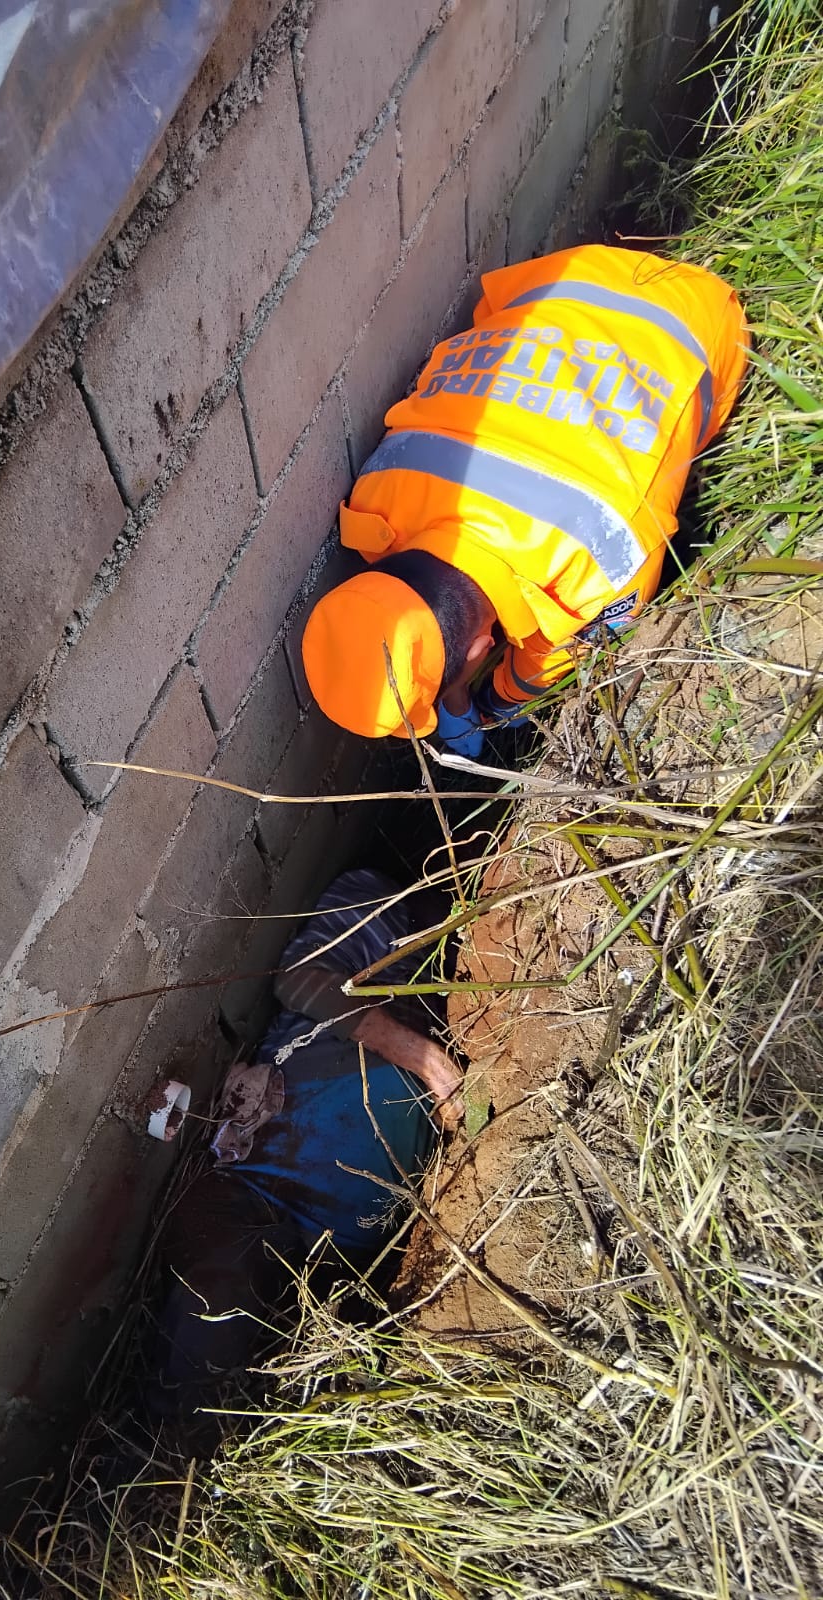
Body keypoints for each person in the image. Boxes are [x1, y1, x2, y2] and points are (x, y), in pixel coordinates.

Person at [301, 244, 750, 757]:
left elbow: (557, 656)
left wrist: (491, 706)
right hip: (561, 280)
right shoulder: (376, 495)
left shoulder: (604, 570)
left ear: (480, 650)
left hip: (701, 318)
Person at [148, 868, 461, 1432]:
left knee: (334, 1390)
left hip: (350, 1256)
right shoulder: (383, 904)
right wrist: (413, 1051)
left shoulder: (462, 971)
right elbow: (298, 979)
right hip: (262, 1191)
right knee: (218, 1305)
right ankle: (175, 1475)